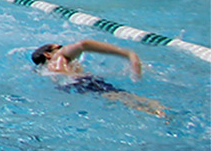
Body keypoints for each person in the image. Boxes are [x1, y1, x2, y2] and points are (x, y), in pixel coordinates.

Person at [30, 39, 167, 117]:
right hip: (82, 81)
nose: (64, 48)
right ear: (48, 54)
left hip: (69, 87)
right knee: (125, 96)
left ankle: (156, 113)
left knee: (117, 98)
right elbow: (83, 44)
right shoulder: (60, 56)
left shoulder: (45, 70)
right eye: (59, 47)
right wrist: (127, 53)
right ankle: (162, 111)